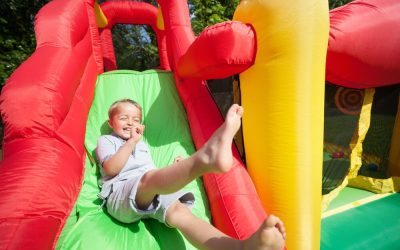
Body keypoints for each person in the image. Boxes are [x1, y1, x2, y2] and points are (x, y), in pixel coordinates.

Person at [96, 99, 286, 250]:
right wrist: (131, 143)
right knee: (148, 181)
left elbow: (148, 170)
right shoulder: (106, 140)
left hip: (148, 186)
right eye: (123, 118)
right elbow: (111, 169)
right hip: (119, 194)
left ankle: (241, 247)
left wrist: (174, 170)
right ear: (110, 122)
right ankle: (202, 159)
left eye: (136, 119)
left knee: (181, 213)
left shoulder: (142, 145)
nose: (130, 123)